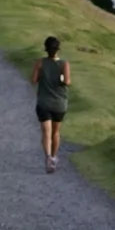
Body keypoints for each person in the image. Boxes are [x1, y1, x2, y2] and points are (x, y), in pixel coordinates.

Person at [31, 36, 71, 173]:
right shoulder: (64, 64)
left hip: (44, 102)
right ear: (58, 50)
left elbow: (34, 80)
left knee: (46, 132)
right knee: (56, 132)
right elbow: (67, 82)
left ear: (46, 49)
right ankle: (54, 158)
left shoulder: (40, 63)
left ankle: (47, 157)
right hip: (59, 103)